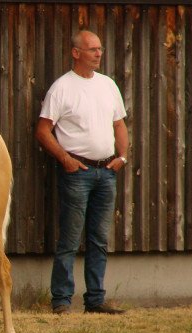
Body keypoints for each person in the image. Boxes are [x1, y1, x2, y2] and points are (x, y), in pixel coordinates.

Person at [35, 30, 128, 315]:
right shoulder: (62, 88)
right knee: (71, 239)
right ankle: (62, 301)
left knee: (99, 239)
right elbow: (42, 130)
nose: (98, 54)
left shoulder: (108, 85)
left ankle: (95, 300)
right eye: (92, 49)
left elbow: (119, 125)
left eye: (100, 49)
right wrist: (65, 158)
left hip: (106, 172)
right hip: (78, 172)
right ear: (76, 53)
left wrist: (122, 156)